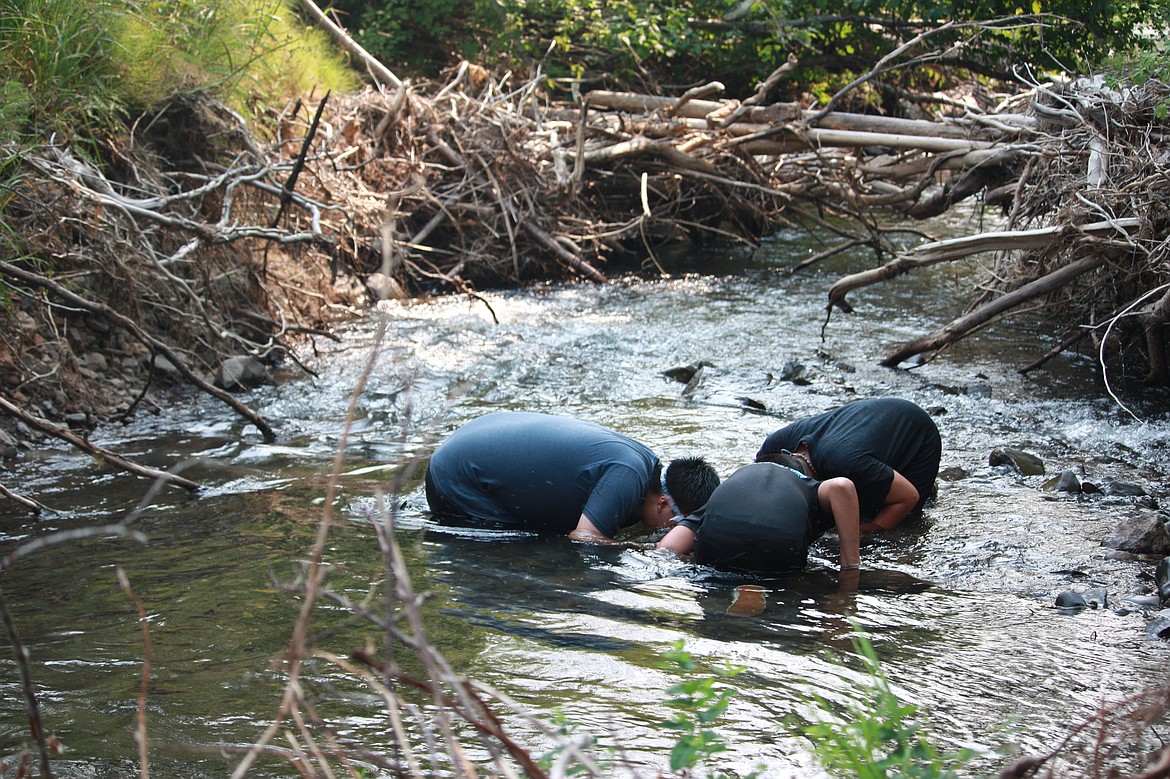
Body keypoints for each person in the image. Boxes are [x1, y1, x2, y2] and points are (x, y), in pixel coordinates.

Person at [424, 410, 720, 542]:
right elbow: (584, 538)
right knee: (531, 545)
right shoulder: (628, 475)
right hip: (454, 476)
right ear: (664, 504)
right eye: (680, 524)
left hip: (473, 437)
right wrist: (637, 550)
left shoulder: (644, 463)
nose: (676, 532)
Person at [755, 397, 941, 533]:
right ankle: (882, 477)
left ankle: (898, 481)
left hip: (917, 437)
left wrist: (870, 530)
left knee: (901, 525)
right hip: (864, 432)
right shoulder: (772, 447)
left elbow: (908, 497)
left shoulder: (845, 464)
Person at [655, 461, 861, 575]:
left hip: (720, 534)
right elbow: (842, 486)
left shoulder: (730, 488)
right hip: (781, 538)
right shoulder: (809, 486)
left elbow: (667, 548)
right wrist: (850, 569)